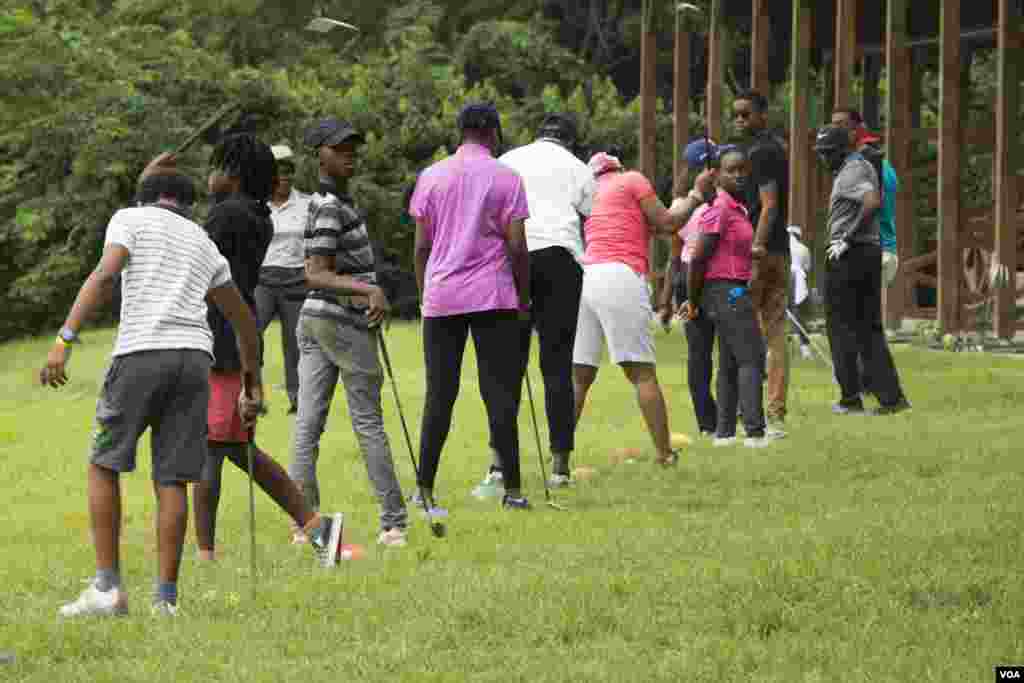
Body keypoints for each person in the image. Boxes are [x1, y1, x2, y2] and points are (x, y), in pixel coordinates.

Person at [43, 153, 269, 617]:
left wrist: (66, 337)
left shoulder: (129, 218)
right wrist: (251, 385)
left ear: (145, 197)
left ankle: (108, 589)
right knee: (173, 479)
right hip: (194, 362)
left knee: (104, 463)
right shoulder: (204, 242)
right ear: (188, 205)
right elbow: (245, 321)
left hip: (140, 353)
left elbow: (106, 274)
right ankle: (165, 600)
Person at [193, 133, 342, 564]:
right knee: (228, 448)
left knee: (217, 448)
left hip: (220, 344)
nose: (209, 175)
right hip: (232, 341)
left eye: (217, 166)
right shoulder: (254, 214)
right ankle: (314, 529)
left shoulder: (228, 217)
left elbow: (196, 265)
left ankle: (211, 551)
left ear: (234, 175)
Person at [289, 117, 409, 546]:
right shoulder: (327, 207)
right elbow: (316, 273)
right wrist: (368, 289)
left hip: (316, 321)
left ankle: (303, 526)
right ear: (319, 154)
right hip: (338, 322)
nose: (349, 154)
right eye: (339, 148)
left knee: (307, 424)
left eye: (352, 147)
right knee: (367, 423)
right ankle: (394, 523)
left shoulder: (336, 202)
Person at [409, 103, 532, 511]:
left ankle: (424, 490)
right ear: (494, 132)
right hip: (492, 295)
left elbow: (422, 246)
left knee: (439, 394)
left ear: (459, 131)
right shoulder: (507, 178)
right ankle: (512, 490)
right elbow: (516, 245)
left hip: (442, 296)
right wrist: (524, 296)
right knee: (499, 393)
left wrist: (423, 292)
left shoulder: (431, 176)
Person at [469, 112, 596, 496]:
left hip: (513, 256)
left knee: (506, 368)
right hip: (561, 261)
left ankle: (497, 465)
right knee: (557, 366)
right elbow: (590, 218)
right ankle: (559, 467)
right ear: (570, 141)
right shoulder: (578, 167)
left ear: (537, 135)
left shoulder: (508, 159)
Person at [572, 151, 710, 466]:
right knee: (642, 374)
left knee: (579, 377)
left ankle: (559, 463)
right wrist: (697, 193)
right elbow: (668, 223)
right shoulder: (631, 179)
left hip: (586, 277)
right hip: (621, 275)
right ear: (619, 168)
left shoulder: (589, 193)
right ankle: (664, 455)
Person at [683, 147, 778, 448]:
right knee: (752, 357)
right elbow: (699, 258)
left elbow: (728, 250)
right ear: (717, 175)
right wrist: (693, 300)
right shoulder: (719, 209)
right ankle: (755, 432)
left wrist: (751, 253)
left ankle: (724, 433)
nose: (738, 175)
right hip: (724, 292)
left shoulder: (737, 209)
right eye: (731, 170)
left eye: (743, 170)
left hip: (734, 289)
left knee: (730, 362)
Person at [813, 125, 910, 416]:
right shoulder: (857, 167)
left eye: (827, 153)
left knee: (841, 328)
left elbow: (871, 202)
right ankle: (891, 399)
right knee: (868, 329)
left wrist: (846, 237)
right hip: (864, 252)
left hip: (850, 254)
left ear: (841, 150)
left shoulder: (853, 170)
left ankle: (850, 399)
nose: (823, 159)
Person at [733, 90, 790, 434]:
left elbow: (768, 205)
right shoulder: (769, 149)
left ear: (762, 116)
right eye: (736, 115)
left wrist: (755, 249)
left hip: (762, 252)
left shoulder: (763, 152)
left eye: (746, 114)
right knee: (775, 331)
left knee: (750, 331)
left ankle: (753, 411)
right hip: (778, 250)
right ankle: (774, 411)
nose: (740, 120)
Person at [657, 137, 720, 437]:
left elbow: (673, 258)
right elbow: (673, 255)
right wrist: (666, 300)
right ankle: (715, 421)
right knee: (709, 353)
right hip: (708, 279)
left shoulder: (678, 204)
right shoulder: (693, 204)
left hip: (687, 279)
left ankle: (710, 422)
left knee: (700, 353)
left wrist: (666, 300)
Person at [255, 144, 312, 414]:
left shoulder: (307, 203)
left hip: (296, 279)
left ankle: (298, 399)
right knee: (251, 333)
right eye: (279, 172)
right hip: (263, 279)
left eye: (289, 171)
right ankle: (252, 393)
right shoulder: (256, 204)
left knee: (295, 341)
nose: (285, 177)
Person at [787, 225, 814, 360]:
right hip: (797, 281)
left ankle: (780, 345)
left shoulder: (784, 246)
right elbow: (807, 268)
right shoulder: (804, 249)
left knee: (782, 313)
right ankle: (804, 348)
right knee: (799, 314)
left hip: (786, 278)